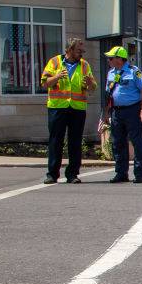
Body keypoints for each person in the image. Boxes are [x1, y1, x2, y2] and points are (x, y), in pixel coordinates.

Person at [40, 38, 98, 184]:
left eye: (82, 51)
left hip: (77, 109)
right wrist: (57, 76)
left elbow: (93, 87)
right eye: (79, 51)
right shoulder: (54, 62)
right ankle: (52, 174)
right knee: (55, 141)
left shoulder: (85, 65)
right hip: (57, 107)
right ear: (69, 50)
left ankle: (72, 174)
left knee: (75, 142)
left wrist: (91, 84)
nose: (82, 54)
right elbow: (44, 83)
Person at [101, 46, 142, 183]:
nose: (109, 60)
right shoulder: (111, 73)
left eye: (111, 58)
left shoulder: (134, 71)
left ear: (119, 59)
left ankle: (140, 174)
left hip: (133, 110)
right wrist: (105, 113)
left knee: (137, 142)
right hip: (116, 111)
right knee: (117, 143)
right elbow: (108, 95)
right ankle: (121, 173)